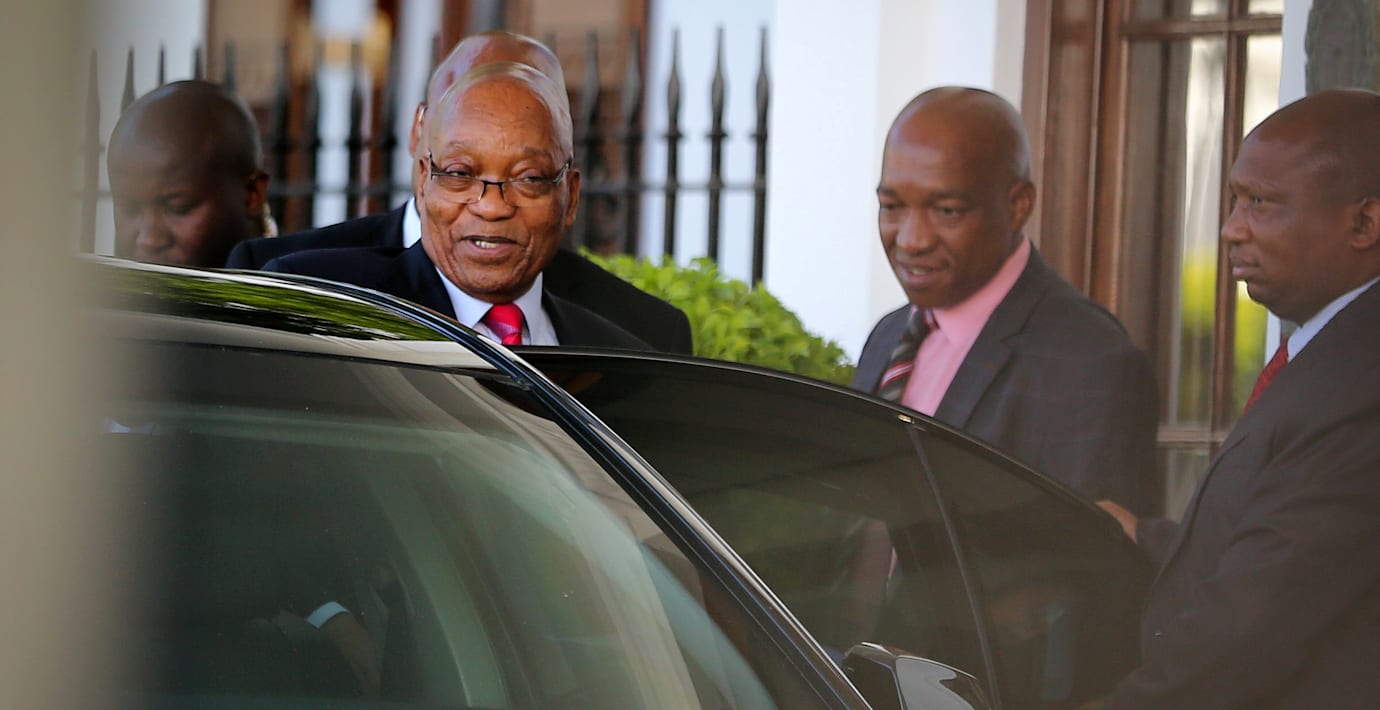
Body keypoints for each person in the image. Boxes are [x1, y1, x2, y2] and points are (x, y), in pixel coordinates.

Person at [1094, 88, 1380, 710]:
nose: (1230, 229)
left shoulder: (1363, 387)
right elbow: (1294, 542)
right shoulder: (1328, 347)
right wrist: (1148, 537)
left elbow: (1251, 632)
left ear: (1363, 224)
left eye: (1261, 203)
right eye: (1233, 200)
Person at [227, 31, 693, 354]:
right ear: (422, 173)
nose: (491, 206)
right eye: (460, 173)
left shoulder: (631, 344)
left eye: (529, 178)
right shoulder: (311, 294)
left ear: (570, 195)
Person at [852, 87, 1159, 514]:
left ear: (1017, 206)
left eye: (946, 211)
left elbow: (1088, 550)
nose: (911, 240)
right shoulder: (888, 337)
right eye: (892, 206)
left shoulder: (1090, 362)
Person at [107, 80, 271, 267]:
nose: (148, 240)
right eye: (128, 209)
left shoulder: (291, 276)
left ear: (252, 194)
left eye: (179, 208)